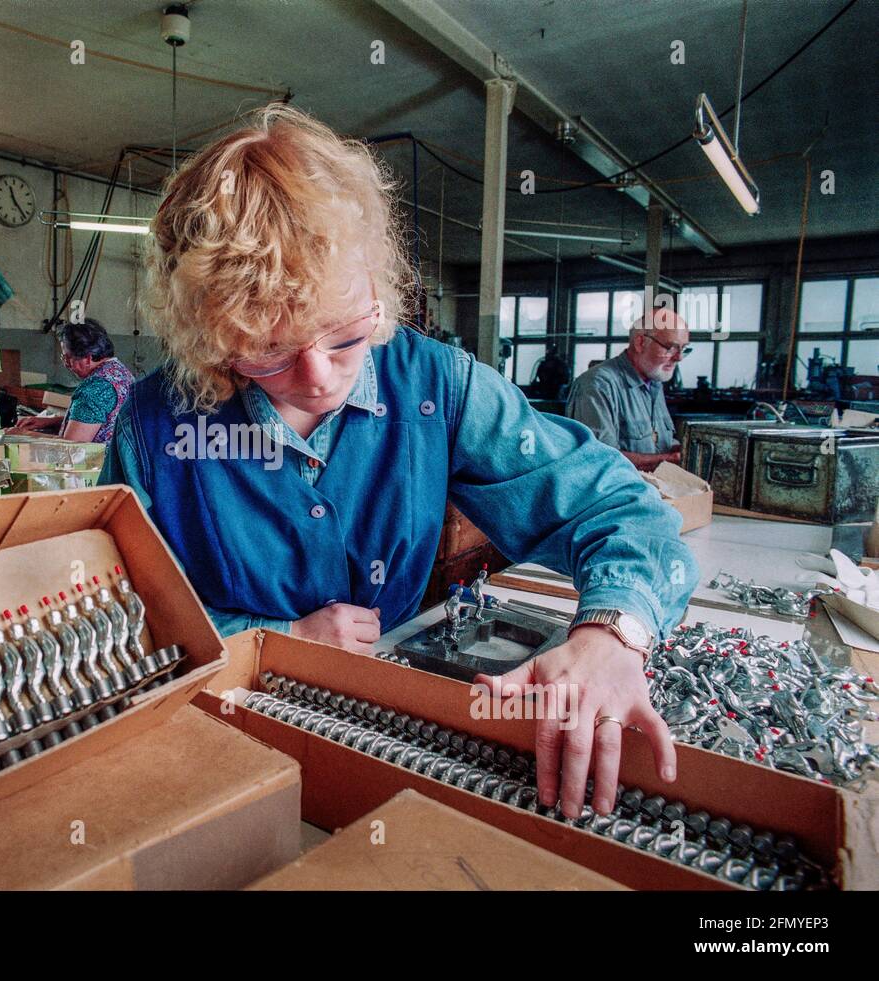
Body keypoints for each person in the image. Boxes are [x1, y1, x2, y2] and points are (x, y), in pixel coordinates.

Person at [100, 104, 698, 819]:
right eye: (270, 351)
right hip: (214, 752)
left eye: (346, 334)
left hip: (390, 744)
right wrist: (274, 639)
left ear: (377, 293)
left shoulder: (437, 387)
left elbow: (622, 508)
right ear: (212, 341)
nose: (319, 375)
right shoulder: (150, 427)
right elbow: (117, 624)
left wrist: (612, 631)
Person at [566, 308, 688, 471]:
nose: (678, 358)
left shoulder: (654, 382)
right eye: (671, 348)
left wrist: (683, 451)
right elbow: (600, 458)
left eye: (684, 349)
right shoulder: (598, 385)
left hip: (652, 491)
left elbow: (658, 441)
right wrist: (668, 460)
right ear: (640, 343)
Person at [13, 319, 134, 443]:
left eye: (67, 358)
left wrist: (24, 435)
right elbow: (95, 422)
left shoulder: (94, 389)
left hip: (97, 461)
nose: (66, 365)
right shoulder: (119, 371)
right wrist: (50, 421)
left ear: (87, 359)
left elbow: (72, 445)